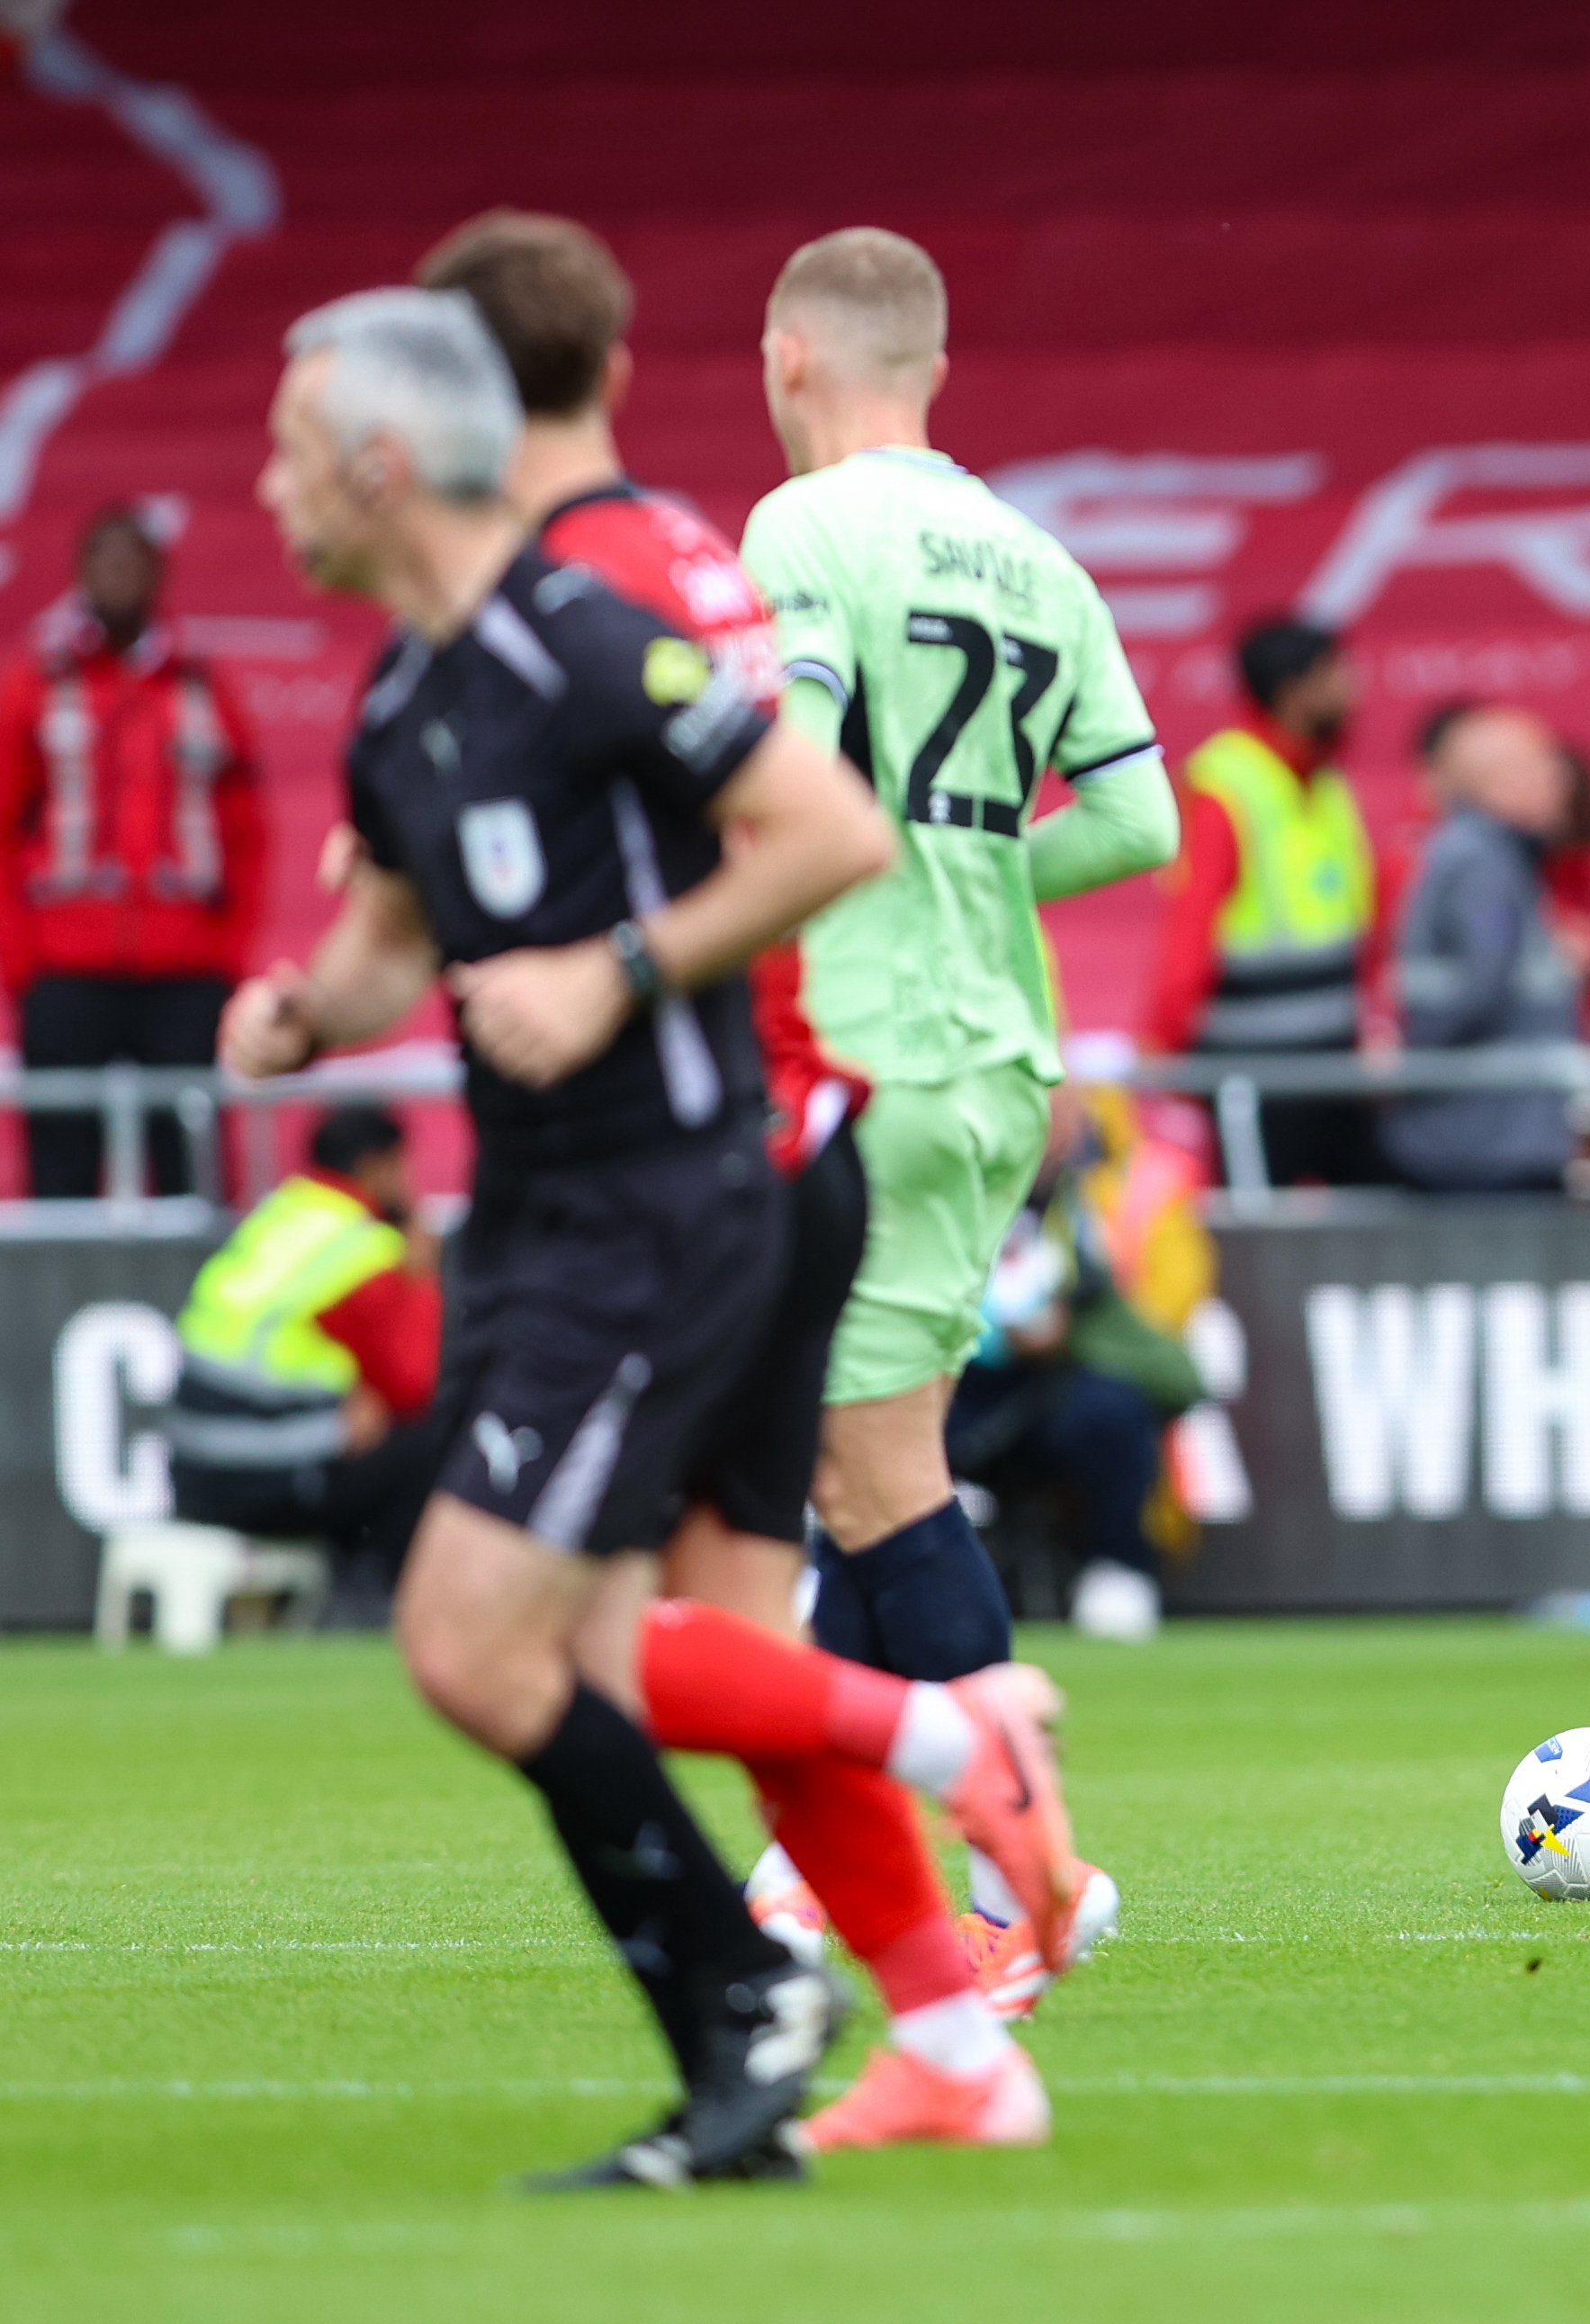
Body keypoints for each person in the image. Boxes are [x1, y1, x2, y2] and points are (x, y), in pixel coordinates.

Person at [229, 284, 1082, 2187]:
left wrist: (610, 974)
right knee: (622, 1652)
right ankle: (921, 2021)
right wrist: (300, 1010)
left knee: (493, 1638)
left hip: (690, 1188)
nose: (261, 485)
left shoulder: (595, 617)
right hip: (589, 1199)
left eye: (288, 447)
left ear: (388, 451)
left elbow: (825, 831)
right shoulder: (408, 690)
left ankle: (914, 1793)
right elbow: (384, 953)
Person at [741, 227, 1174, 2102]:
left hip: (860, 1050)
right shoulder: (1037, 555)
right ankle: (826, 1847)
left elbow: (806, 791)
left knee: (866, 1474)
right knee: (856, 1469)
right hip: (999, 1055)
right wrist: (983, 876)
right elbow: (1139, 816)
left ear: (785, 358)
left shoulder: (799, 535)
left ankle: (1036, 1866)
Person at [0, 503, 264, 1198]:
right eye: (104, 560)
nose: (117, 574)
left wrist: (225, 954)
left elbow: (247, 834)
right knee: (61, 1166)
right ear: (79, 574)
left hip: (185, 970)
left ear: (159, 572)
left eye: (132, 559)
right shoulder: (36, 685)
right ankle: (60, 1309)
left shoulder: (203, 688)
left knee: (192, 1164)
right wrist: (22, 960)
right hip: (65, 966)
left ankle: (198, 1306)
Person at [163, 1106, 443, 1612]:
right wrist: (420, 1277)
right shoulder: (364, 1248)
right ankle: (380, 1601)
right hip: (264, 1473)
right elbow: (414, 1385)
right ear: (375, 1165)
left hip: (189, 1470)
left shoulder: (280, 1214)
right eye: (403, 1166)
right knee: (435, 1441)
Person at [1140, 615, 1383, 1187]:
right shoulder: (1226, 784)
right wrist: (1165, 1043)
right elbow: (1191, 926)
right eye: (1334, 675)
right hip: (1255, 1073)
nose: (1350, 689)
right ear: (1293, 691)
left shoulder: (1325, 783)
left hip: (1336, 1065)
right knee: (1257, 1238)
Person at [948, 1093, 1197, 1646]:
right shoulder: (950, 1186)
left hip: (1060, 1380)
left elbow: (1155, 1317)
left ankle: (1119, 1570)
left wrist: (1072, 1322)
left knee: (1111, 1412)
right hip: (956, 1377)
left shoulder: (1102, 1195)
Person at [1376, 702, 1585, 1194]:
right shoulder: (1480, 864)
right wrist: (1409, 1067)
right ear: (1498, 786)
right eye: (1544, 764)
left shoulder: (1490, 857)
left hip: (1489, 1135)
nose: (1563, 780)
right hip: (1480, 1147)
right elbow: (1478, 986)